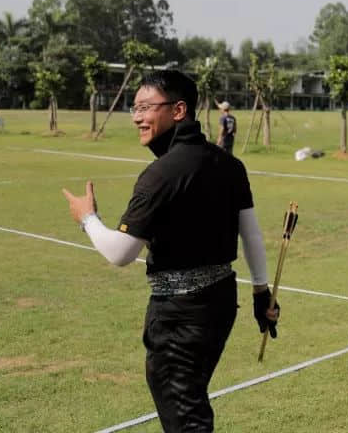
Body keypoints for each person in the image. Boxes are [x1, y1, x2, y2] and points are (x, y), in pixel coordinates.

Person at [62, 70, 279, 433]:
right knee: (190, 401)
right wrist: (261, 292)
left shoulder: (161, 174)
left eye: (146, 107)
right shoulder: (229, 164)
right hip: (219, 304)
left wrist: (87, 218)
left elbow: (120, 252)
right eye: (134, 108)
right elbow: (251, 234)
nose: (136, 117)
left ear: (179, 110)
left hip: (182, 316)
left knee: (186, 417)